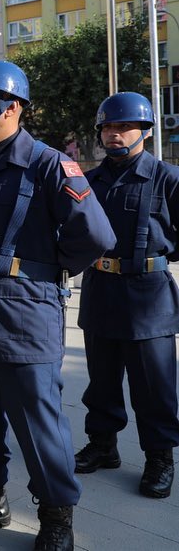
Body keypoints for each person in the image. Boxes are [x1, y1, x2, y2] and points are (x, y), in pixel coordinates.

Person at [0, 60, 115, 550]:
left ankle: (56, 515)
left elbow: (95, 234)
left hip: (26, 315)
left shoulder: (50, 164)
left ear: (12, 108)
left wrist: (44, 268)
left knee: (38, 421)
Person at [74, 92, 179, 500]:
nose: (114, 134)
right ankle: (103, 445)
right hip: (101, 289)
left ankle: (160, 457)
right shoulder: (90, 180)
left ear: (146, 131)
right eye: (107, 127)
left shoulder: (167, 178)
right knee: (100, 381)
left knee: (153, 386)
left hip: (147, 297)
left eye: (123, 127)